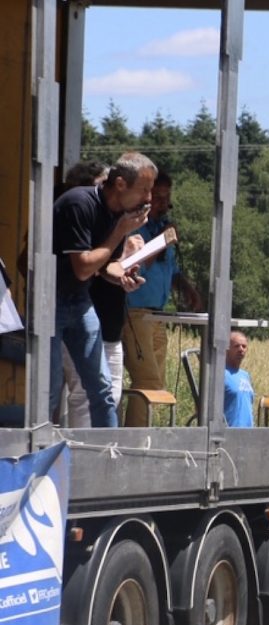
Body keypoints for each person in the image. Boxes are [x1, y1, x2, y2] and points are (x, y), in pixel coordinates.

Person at [51, 151, 154, 427]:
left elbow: (106, 265)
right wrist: (120, 232)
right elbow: (83, 267)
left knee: (103, 390)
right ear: (120, 184)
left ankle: (107, 458)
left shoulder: (117, 213)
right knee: (47, 393)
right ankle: (40, 461)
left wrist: (123, 277)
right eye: (144, 189)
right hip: (51, 303)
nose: (148, 199)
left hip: (80, 301)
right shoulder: (79, 203)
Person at [122, 170, 203, 427]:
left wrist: (187, 288)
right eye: (157, 197)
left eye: (166, 198)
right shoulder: (136, 227)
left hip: (158, 315)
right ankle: (134, 440)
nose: (163, 204)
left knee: (156, 384)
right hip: (134, 313)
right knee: (147, 382)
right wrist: (162, 241)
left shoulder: (160, 229)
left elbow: (170, 269)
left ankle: (144, 434)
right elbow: (136, 266)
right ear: (145, 197)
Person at [223, 330, 255, 428]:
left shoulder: (245, 375)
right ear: (227, 349)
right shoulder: (220, 374)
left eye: (244, 346)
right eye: (237, 346)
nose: (241, 349)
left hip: (248, 434)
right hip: (230, 434)